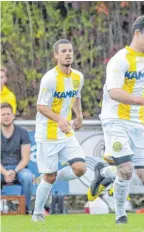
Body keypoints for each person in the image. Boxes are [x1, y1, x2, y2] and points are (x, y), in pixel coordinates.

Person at [87, 15, 144, 224]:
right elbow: (114, 92)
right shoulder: (119, 60)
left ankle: (105, 172)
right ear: (137, 33)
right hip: (115, 120)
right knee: (127, 169)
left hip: (137, 123)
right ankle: (120, 214)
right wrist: (143, 101)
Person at [31, 39, 87, 221]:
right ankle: (37, 213)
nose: (68, 53)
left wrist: (79, 116)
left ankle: (48, 179)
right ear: (56, 55)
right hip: (47, 134)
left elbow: (76, 97)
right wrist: (59, 119)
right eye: (63, 51)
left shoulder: (78, 76)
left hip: (66, 132)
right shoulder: (50, 79)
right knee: (49, 175)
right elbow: (41, 106)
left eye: (70, 50)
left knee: (80, 168)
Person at [1, 103, 32, 214]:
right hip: (2, 169)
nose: (6, 116)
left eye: (8, 114)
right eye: (3, 114)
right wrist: (5, 173)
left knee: (28, 177)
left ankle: (25, 209)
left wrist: (14, 172)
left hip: (19, 169)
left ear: (13, 116)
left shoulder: (22, 132)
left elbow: (26, 158)